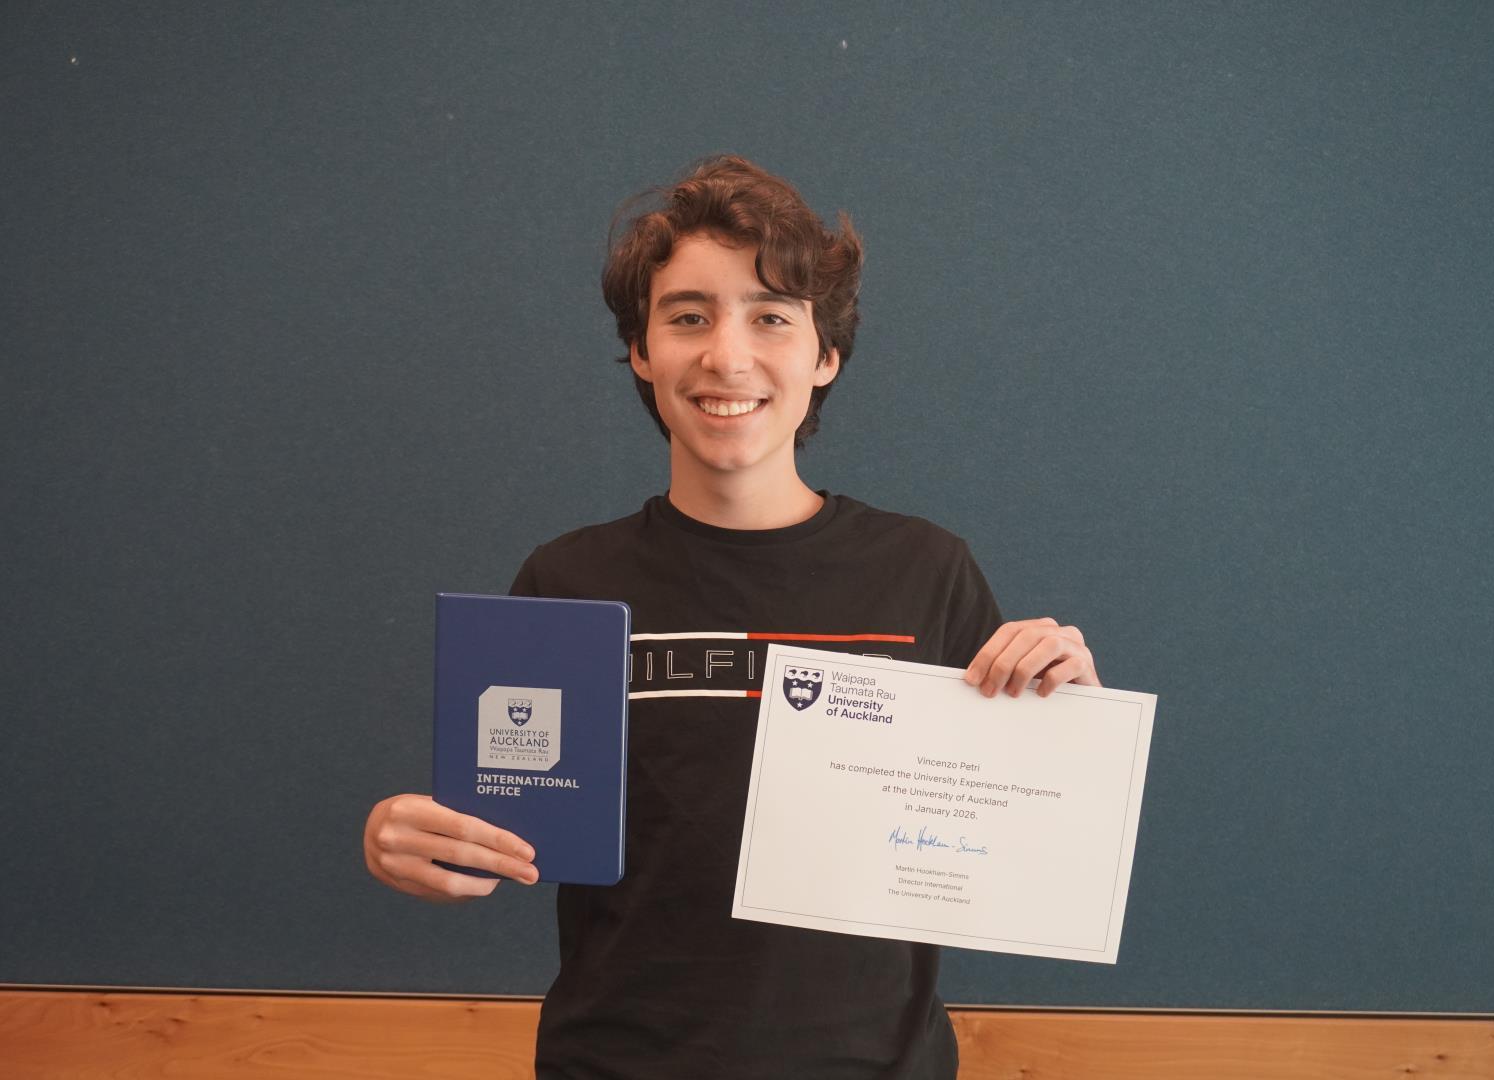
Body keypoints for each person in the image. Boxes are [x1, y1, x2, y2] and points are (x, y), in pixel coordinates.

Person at [363, 155, 1099, 1078]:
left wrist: (1073, 720)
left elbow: (1028, 846)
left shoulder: (926, 571)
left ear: (825, 355)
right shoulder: (568, 582)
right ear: (642, 350)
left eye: (771, 317)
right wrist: (412, 840)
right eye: (688, 317)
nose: (727, 356)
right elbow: (493, 819)